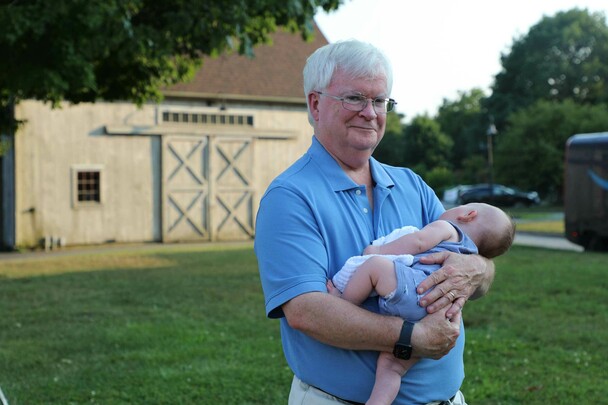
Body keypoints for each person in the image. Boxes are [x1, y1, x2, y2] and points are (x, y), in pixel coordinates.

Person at [255, 39, 496, 405]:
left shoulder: (411, 185)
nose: (370, 112)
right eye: (354, 98)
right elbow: (306, 311)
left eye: (380, 100)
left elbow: (474, 258)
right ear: (315, 104)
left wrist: (477, 269)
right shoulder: (290, 196)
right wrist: (412, 337)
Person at [328, 202, 515, 405]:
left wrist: (378, 249)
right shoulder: (469, 255)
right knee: (392, 367)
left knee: (374, 267)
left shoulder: (448, 228)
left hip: (417, 290)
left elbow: (418, 242)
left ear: (469, 214)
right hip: (435, 314)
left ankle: (344, 301)